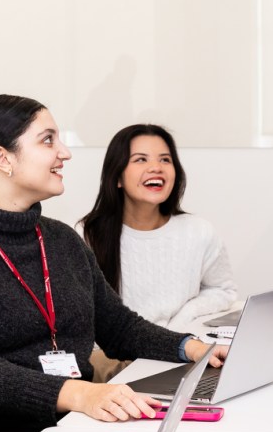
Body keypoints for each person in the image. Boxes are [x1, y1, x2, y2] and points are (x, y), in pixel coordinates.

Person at [0, 95, 226, 432]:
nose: (65, 153)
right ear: (3, 159)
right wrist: (82, 395)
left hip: (68, 420)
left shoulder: (59, 239)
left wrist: (192, 347)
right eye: (48, 140)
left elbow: (117, 326)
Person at [80, 124, 238, 381]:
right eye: (140, 159)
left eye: (165, 159)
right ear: (117, 177)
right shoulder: (86, 235)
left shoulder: (198, 231)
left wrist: (184, 317)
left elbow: (223, 290)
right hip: (118, 358)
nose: (156, 167)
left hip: (180, 348)